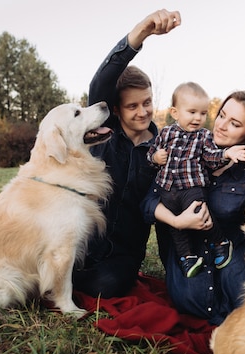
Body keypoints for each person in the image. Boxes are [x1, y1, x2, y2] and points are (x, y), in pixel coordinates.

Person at [72, 9, 181, 298]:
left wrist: (176, 273)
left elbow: (167, 208)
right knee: (44, 268)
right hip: (84, 241)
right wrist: (141, 32)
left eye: (147, 102)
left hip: (124, 255)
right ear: (117, 109)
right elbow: (100, 83)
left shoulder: (164, 146)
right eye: (133, 106)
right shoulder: (104, 133)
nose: (143, 111)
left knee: (108, 286)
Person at [142, 91, 245, 325]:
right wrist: (177, 221)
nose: (221, 126)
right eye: (221, 115)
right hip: (189, 263)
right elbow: (147, 204)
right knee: (193, 299)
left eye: (234, 124)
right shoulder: (183, 150)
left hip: (231, 261)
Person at [147, 82, 245, 278]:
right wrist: (155, 158)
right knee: (175, 226)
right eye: (192, 112)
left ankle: (219, 242)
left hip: (192, 186)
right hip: (167, 188)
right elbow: (151, 155)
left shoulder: (204, 137)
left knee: (199, 213)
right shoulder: (165, 133)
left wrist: (226, 153)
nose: (198, 118)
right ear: (175, 113)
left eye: (203, 113)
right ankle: (187, 258)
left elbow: (211, 156)